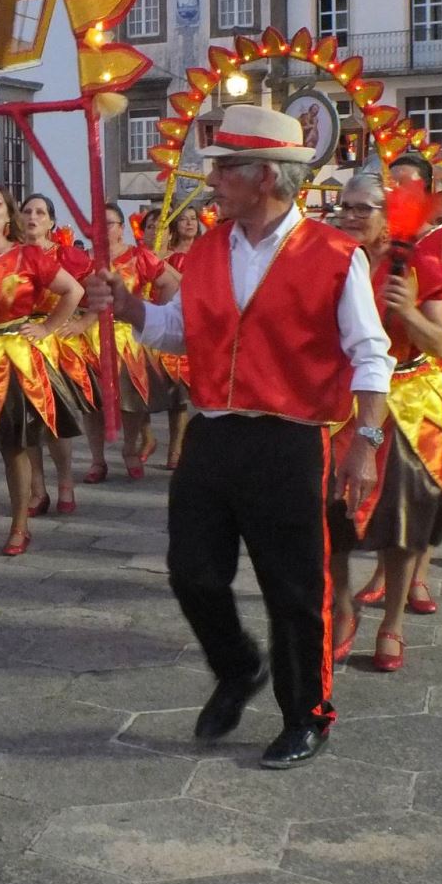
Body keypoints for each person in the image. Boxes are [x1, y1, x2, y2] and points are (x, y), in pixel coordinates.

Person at [85, 104, 394, 770]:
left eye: (226, 168)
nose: (213, 180)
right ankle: (237, 665)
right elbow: (182, 333)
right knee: (191, 572)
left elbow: (371, 354)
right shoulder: (203, 250)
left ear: (267, 177)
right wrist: (134, 308)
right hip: (213, 436)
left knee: (293, 592)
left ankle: (307, 715)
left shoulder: (338, 257)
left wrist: (365, 444)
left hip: (289, 443)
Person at [327, 175, 442, 673]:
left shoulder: (421, 266)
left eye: (363, 208)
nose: (351, 216)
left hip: (405, 404)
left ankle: (392, 623)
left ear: (389, 213)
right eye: (344, 207)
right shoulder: (329, 258)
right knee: (329, 518)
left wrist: (405, 312)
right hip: (340, 401)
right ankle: (344, 605)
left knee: (400, 523)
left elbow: (440, 343)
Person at [0, 183, 86, 557]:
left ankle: (20, 525)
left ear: (9, 214)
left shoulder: (28, 257)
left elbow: (73, 291)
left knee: (14, 446)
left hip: (12, 357)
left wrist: (47, 327)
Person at [81, 204, 180, 482]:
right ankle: (97, 460)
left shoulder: (137, 256)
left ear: (121, 227)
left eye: (108, 224)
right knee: (93, 402)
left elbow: (170, 283)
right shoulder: (82, 260)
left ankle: (131, 449)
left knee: (131, 400)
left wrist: (155, 311)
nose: (101, 230)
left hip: (128, 336)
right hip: (91, 336)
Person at [19, 193, 89, 515]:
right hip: (17, 343)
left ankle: (65, 480)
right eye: (27, 211)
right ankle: (36, 487)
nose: (33, 217)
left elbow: (98, 294)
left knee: (55, 421)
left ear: (51, 221)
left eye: (40, 212)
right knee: (25, 420)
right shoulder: (11, 255)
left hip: (54, 343)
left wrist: (77, 323)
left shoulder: (67, 257)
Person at [152, 205, 201, 470]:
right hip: (173, 325)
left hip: (203, 327)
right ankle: (172, 447)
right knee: (176, 395)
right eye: (183, 219)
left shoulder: (208, 252)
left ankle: (188, 447)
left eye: (193, 219)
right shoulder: (164, 256)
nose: (189, 224)